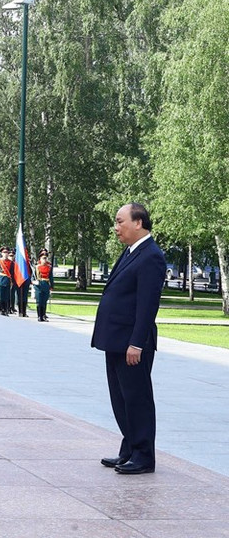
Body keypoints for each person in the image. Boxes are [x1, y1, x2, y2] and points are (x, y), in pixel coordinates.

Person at [92, 203, 166, 475]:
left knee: (137, 399)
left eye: (120, 221)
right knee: (121, 399)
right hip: (116, 340)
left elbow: (147, 306)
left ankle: (144, 455)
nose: (116, 227)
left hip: (131, 344)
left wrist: (136, 343)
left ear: (138, 223)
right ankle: (130, 449)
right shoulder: (132, 252)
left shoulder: (151, 256)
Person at [34, 251, 53, 321]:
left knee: (44, 301)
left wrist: (51, 287)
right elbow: (33, 277)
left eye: (46, 258)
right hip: (39, 285)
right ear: (40, 259)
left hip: (46, 285)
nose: (45, 260)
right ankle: (39, 316)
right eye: (43, 258)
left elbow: (51, 277)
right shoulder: (36, 267)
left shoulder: (49, 267)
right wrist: (34, 281)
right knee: (39, 302)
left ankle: (43, 316)